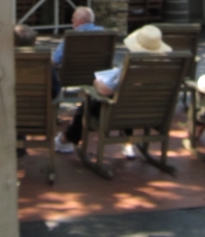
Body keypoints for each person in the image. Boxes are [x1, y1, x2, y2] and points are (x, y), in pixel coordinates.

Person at [55, 24, 172, 159]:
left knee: (87, 106)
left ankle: (64, 140)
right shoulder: (168, 68)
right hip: (153, 114)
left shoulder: (131, 67)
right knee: (130, 100)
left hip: (118, 115)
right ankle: (128, 144)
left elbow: (106, 90)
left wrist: (95, 83)